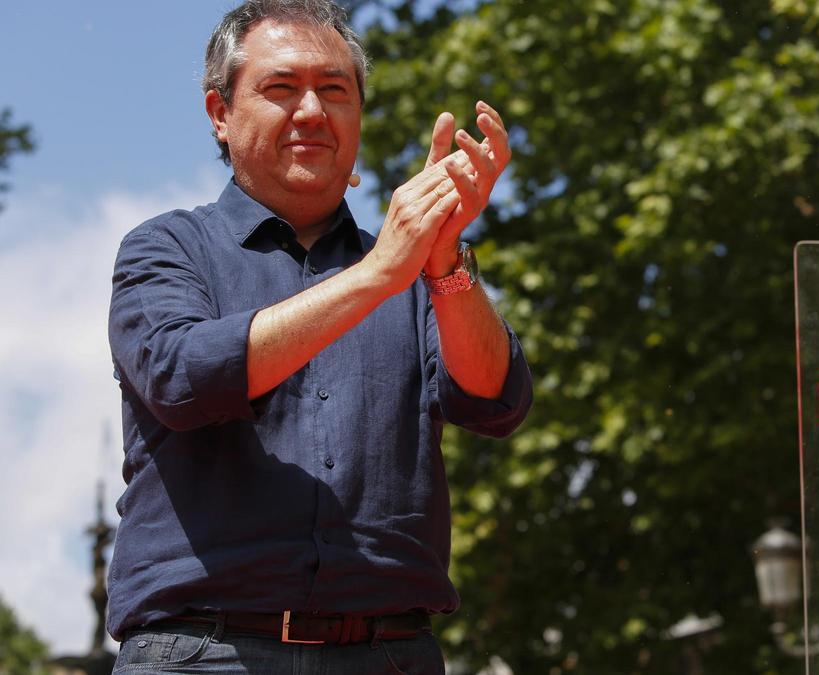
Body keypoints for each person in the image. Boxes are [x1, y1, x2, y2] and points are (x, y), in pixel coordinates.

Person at [105, 1, 532, 672]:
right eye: (281, 88)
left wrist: (443, 262)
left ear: (358, 115)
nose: (311, 111)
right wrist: (378, 275)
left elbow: (496, 401)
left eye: (334, 90)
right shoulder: (168, 248)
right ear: (219, 113)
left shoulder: (416, 271)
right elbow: (180, 376)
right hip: (202, 650)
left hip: (390, 650)